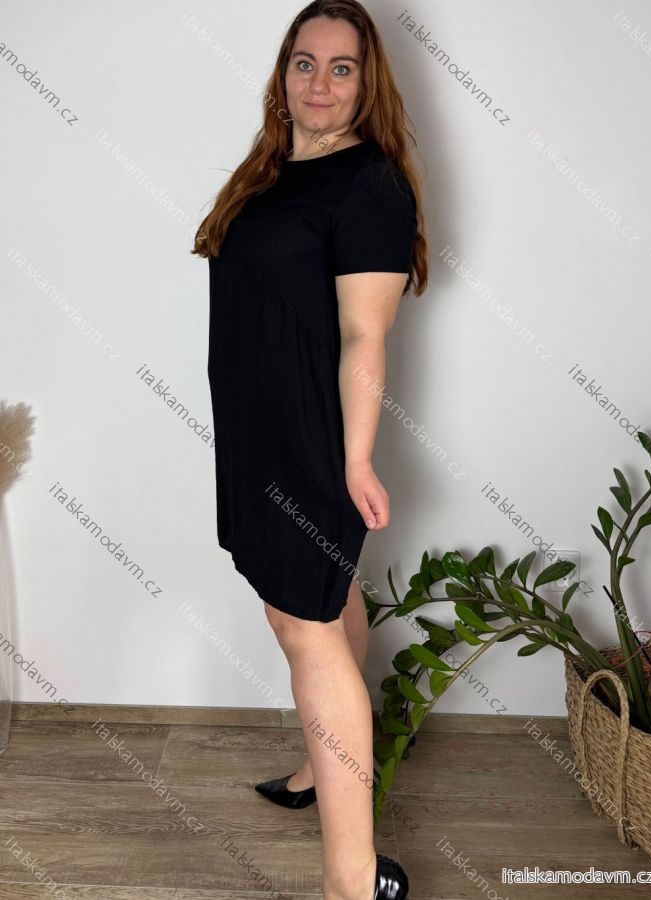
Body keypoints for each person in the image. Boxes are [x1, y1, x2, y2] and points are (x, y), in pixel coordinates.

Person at [192, 1, 428, 897]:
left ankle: (352, 878)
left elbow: (364, 335)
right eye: (304, 62)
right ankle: (318, 767)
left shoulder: (369, 184)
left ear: (368, 84)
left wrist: (354, 461)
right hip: (254, 431)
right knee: (321, 599)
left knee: (307, 627)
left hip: (306, 439)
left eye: (341, 67)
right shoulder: (271, 170)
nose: (319, 82)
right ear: (282, 72)